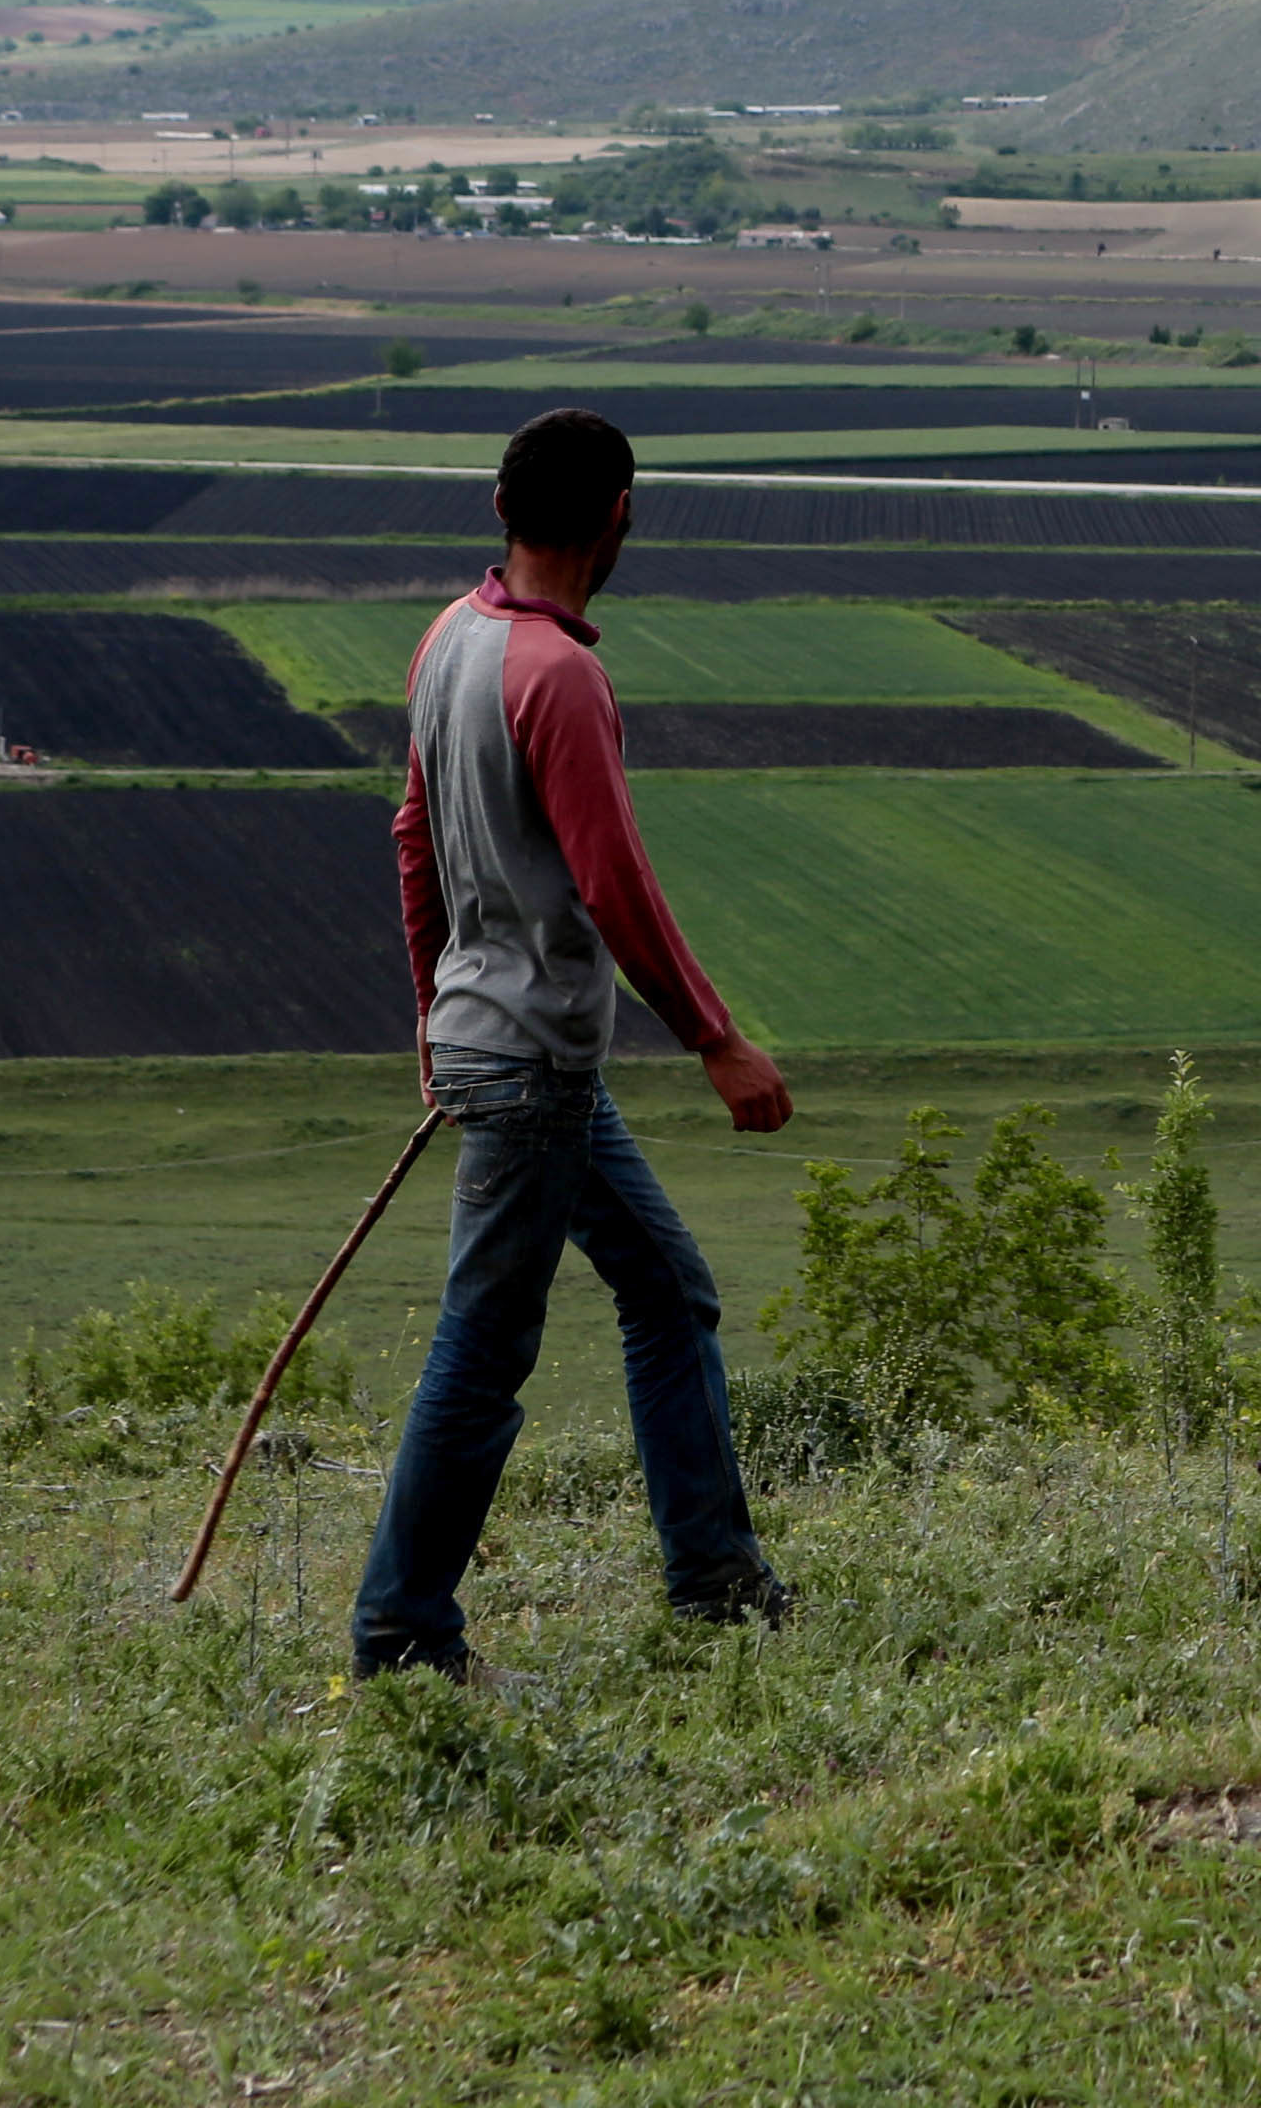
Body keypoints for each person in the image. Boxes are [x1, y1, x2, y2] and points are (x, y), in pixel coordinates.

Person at [350, 406, 796, 1679]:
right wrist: (715, 1039)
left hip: (499, 1044)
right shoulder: (561, 674)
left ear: (499, 509)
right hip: (537, 1061)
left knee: (668, 1290)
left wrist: (431, 1016)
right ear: (619, 518)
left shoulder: (451, 638)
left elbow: (410, 835)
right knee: (483, 1356)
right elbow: (613, 883)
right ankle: (402, 1637)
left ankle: (715, 1579)